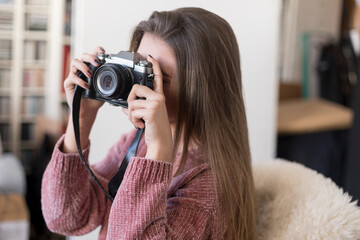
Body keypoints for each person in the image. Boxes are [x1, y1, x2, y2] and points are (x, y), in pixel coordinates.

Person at [41, 7, 256, 240]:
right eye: (138, 67)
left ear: (203, 89)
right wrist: (80, 122)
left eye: (157, 77)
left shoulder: (211, 187)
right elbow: (64, 217)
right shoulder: (135, 145)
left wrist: (157, 157)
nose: (137, 86)